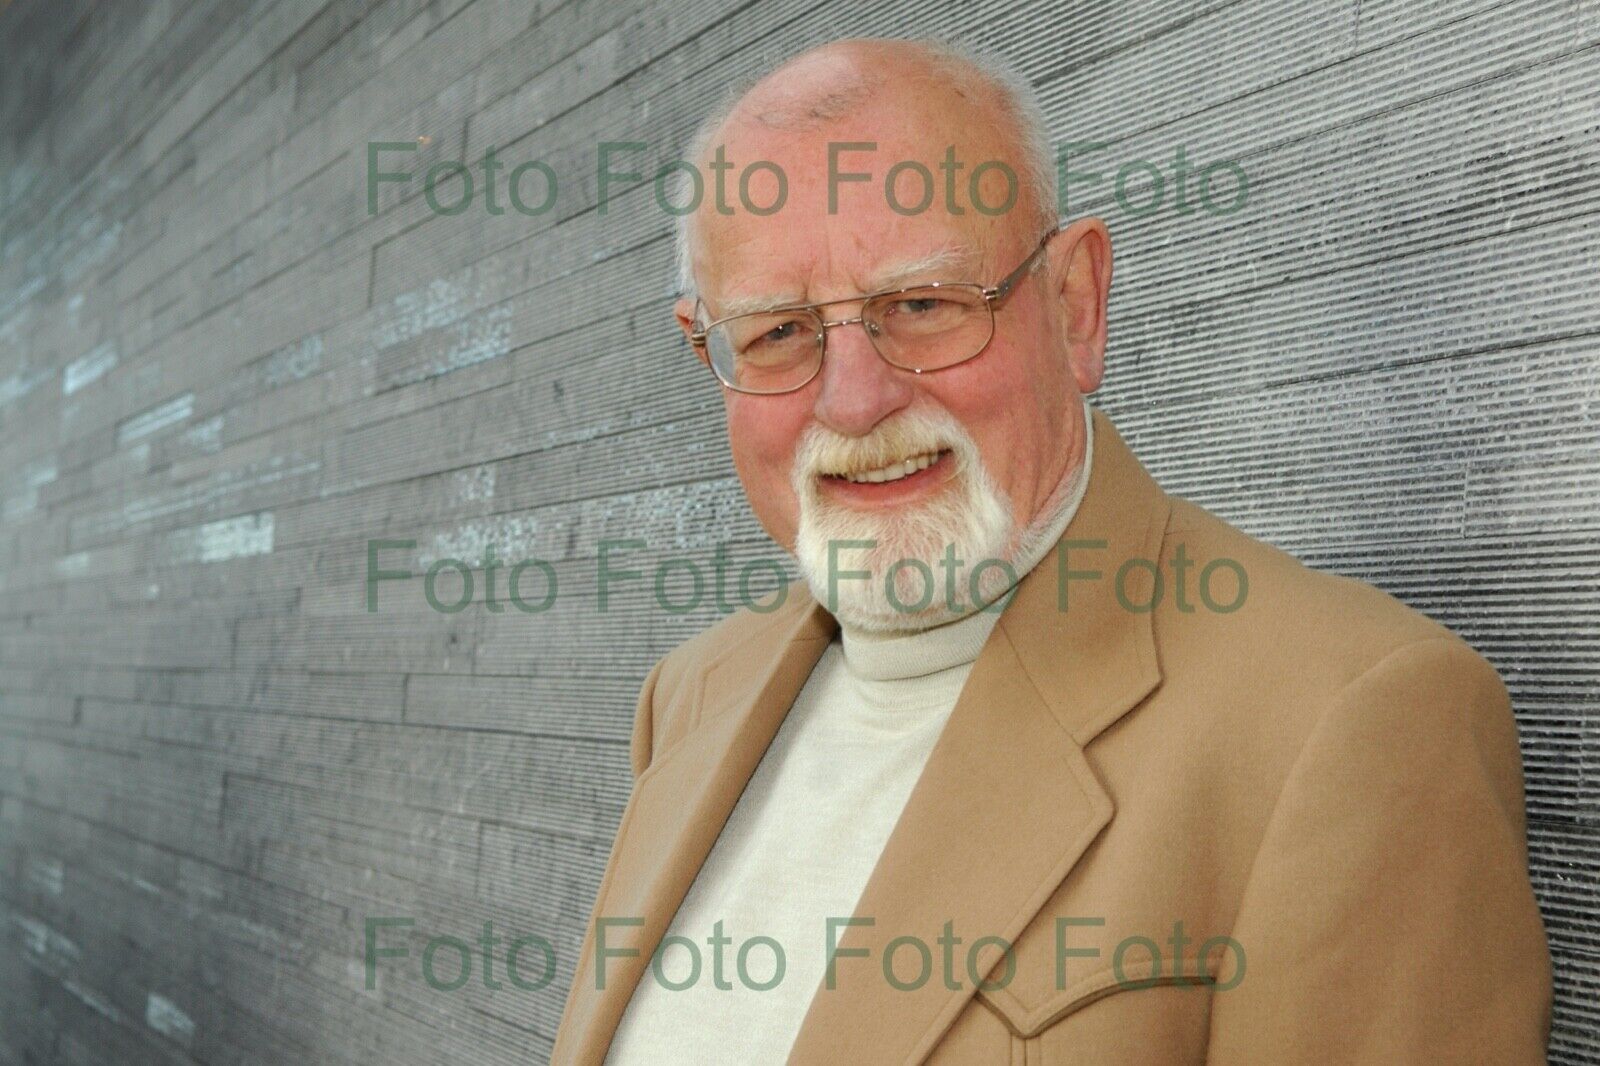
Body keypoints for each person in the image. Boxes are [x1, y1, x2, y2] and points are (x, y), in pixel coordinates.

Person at [552, 36, 1551, 1064]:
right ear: (706, 345)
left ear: (1075, 305)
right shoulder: (689, 696)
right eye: (775, 331)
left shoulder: (1349, 721)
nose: (853, 399)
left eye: (922, 305)